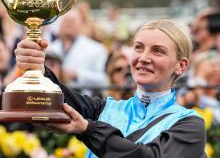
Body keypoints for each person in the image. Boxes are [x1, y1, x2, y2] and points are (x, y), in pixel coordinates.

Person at [15, 19, 206, 158]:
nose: (143, 57)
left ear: (181, 66)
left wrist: (88, 130)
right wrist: (37, 69)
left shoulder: (189, 125)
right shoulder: (105, 109)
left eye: (157, 51)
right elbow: (58, 96)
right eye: (139, 48)